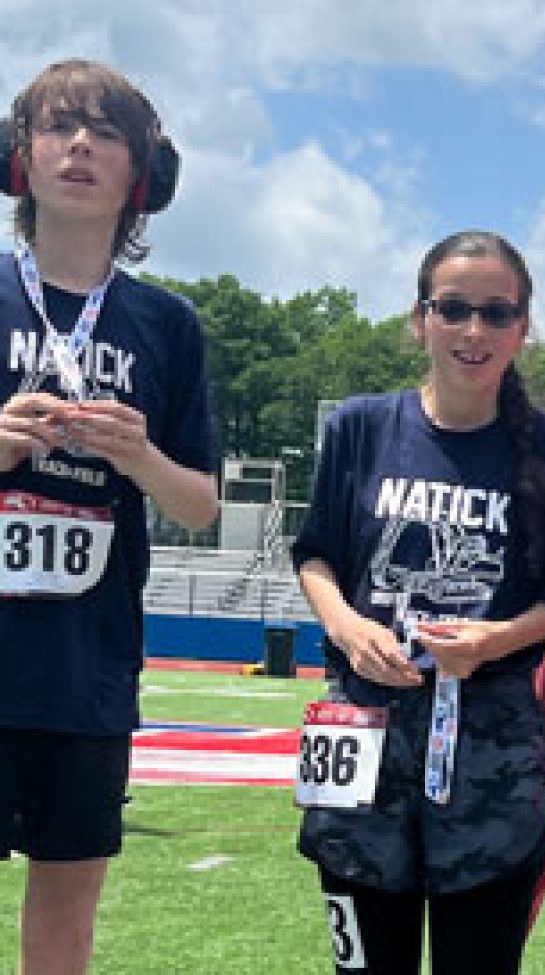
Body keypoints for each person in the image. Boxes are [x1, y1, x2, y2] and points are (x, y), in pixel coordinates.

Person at [290, 230, 545, 974]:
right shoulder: (360, 426)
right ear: (420, 317)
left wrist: (492, 640)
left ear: (524, 326)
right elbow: (315, 553)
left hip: (492, 750)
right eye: (453, 308)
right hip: (363, 736)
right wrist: (348, 624)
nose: (474, 331)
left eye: (497, 313)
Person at [0, 59, 217, 974]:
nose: (81, 144)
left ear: (143, 178)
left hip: (86, 669)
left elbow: (199, 505)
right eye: (59, 126)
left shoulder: (167, 325)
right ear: (20, 161)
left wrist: (139, 456)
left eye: (107, 132)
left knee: (66, 923)